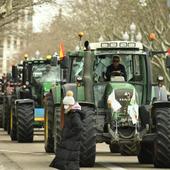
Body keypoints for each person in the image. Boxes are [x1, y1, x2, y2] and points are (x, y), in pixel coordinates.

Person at [50, 90, 84, 170]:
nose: (65, 107)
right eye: (64, 104)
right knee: (67, 160)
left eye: (66, 105)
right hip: (70, 140)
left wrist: (68, 134)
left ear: (71, 104)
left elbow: (78, 127)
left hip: (72, 141)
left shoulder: (75, 114)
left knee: (70, 161)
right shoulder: (70, 113)